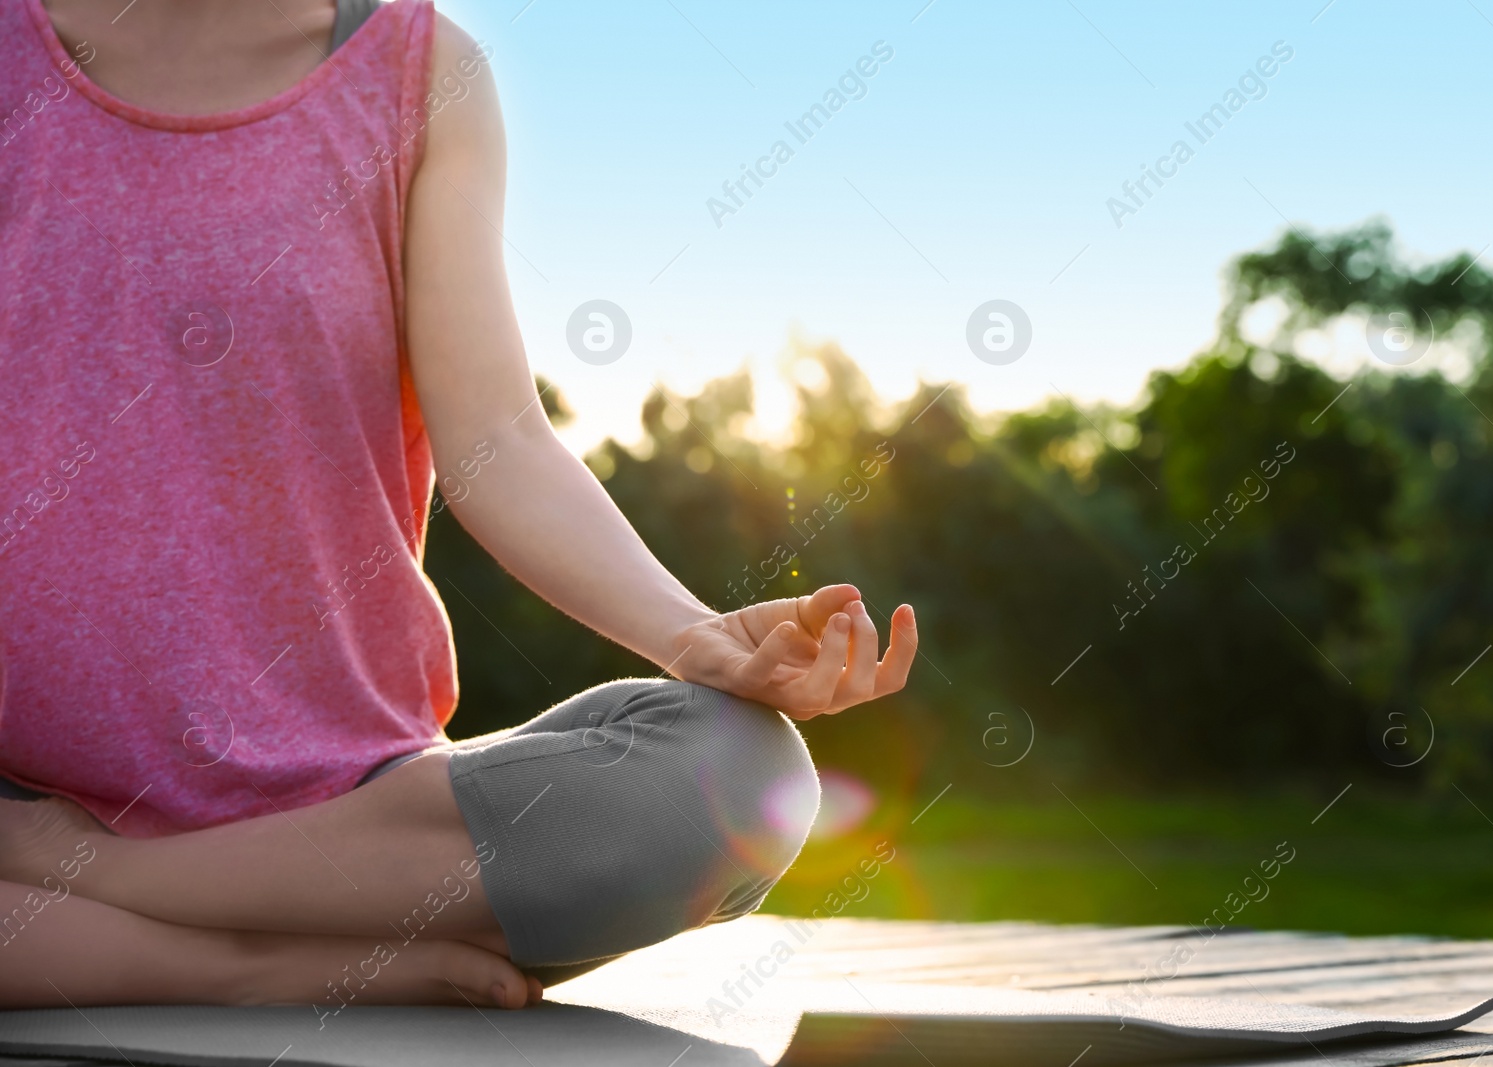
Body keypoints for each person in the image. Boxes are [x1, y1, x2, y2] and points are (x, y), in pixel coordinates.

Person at [0, 0, 916, 1011]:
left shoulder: (424, 73)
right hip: (17, 794)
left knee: (733, 779)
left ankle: (100, 890)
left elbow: (495, 441)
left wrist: (694, 636)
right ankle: (252, 965)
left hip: (346, 817)